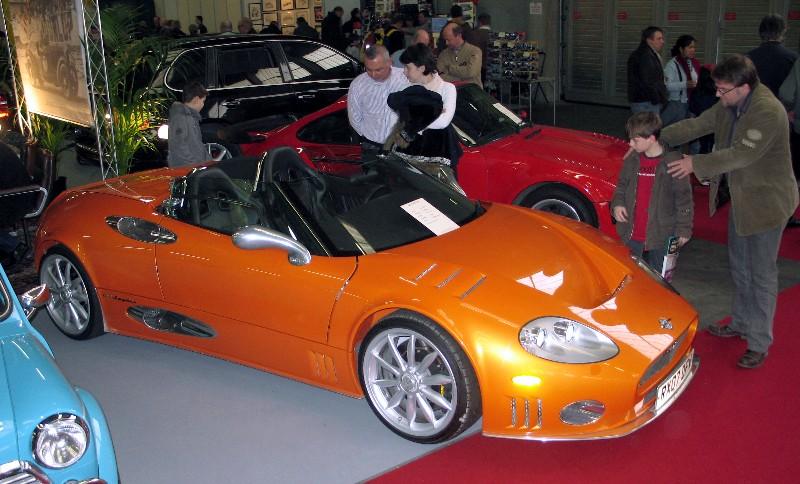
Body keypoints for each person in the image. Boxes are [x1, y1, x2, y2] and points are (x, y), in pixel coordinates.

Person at [664, 55, 799, 369]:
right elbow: (698, 124)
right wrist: (658, 135)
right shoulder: (729, 102)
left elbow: (740, 155)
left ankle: (759, 342)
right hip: (742, 198)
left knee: (761, 274)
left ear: (744, 87)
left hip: (767, 203)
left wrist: (694, 163)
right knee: (739, 267)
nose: (717, 94)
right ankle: (740, 322)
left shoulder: (768, 111)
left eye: (722, 89)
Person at [611, 112, 692, 274]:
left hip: (662, 234)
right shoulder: (632, 159)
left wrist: (684, 229)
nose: (630, 144)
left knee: (659, 277)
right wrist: (618, 204)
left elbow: (684, 199)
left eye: (635, 140)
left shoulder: (674, 163)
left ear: (651, 139)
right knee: (629, 274)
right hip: (632, 232)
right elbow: (621, 186)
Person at [389, 43, 463, 193]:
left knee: (443, 197)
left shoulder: (447, 89)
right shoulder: (406, 90)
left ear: (421, 68)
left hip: (439, 153)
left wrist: (412, 124)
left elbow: (443, 122)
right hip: (408, 153)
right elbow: (396, 120)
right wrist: (431, 115)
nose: (404, 72)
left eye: (407, 67)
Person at [347, 45, 411, 158]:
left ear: (389, 62)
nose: (373, 74)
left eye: (378, 70)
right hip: (371, 146)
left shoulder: (406, 79)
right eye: (368, 69)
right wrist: (368, 136)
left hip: (400, 147)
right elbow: (354, 117)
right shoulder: (358, 85)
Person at [747, 15, 798, 96]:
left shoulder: (747, 58)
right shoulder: (794, 58)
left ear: (760, 32)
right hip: (782, 103)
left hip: (755, 102)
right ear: (783, 32)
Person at [167, 80, 209, 167]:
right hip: (187, 168)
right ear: (196, 99)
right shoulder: (181, 118)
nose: (203, 104)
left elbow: (197, 145)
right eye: (203, 101)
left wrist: (208, 161)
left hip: (196, 166)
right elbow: (178, 146)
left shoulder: (191, 117)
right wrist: (194, 165)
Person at [661, 35, 700, 127]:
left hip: (690, 102)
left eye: (694, 47)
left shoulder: (693, 63)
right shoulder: (672, 65)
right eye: (690, 47)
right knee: (670, 128)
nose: (693, 50)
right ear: (681, 49)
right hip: (676, 103)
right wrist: (685, 84)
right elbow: (666, 86)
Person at [627, 26, 667, 114]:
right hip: (646, 102)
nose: (662, 41)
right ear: (649, 40)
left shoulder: (648, 54)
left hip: (645, 101)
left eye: (662, 38)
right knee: (648, 123)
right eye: (659, 39)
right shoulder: (645, 56)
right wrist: (657, 99)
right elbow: (648, 81)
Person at [437, 23, 482, 88]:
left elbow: (471, 72)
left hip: (472, 91)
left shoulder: (475, 51)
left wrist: (449, 68)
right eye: (445, 40)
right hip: (451, 91)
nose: (446, 43)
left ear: (459, 36)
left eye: (449, 40)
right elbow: (440, 76)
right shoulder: (443, 54)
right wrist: (463, 79)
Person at [471, 13, 492, 85]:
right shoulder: (494, 35)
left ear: (479, 22)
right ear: (489, 22)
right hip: (490, 67)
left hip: (476, 66)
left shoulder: (473, 34)